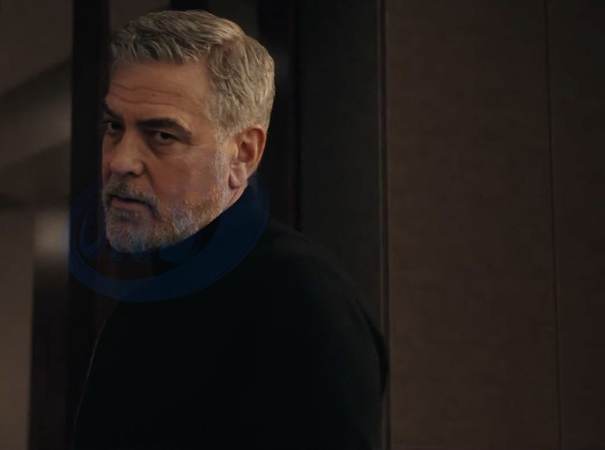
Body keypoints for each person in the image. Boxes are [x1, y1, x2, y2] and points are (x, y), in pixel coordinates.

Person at [70, 9, 388, 450]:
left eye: (162, 135)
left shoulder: (299, 297)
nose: (120, 161)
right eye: (114, 127)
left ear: (243, 153)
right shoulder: (145, 305)